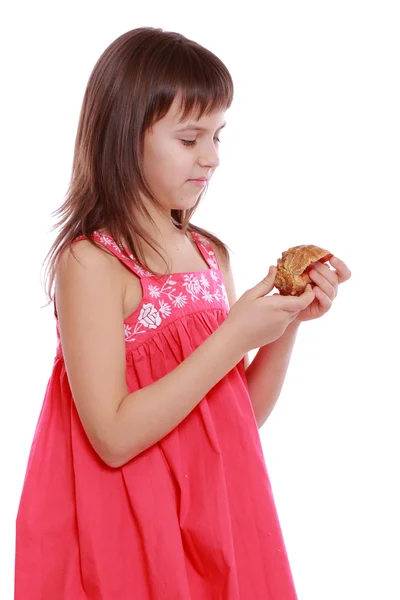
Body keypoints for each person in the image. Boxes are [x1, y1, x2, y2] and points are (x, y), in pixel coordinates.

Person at [14, 26, 351, 600]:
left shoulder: (208, 255)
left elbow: (236, 416)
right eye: (191, 138)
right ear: (125, 138)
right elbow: (113, 436)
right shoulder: (92, 264)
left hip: (208, 512)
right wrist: (233, 336)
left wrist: (283, 326)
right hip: (124, 526)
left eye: (219, 135)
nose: (213, 157)